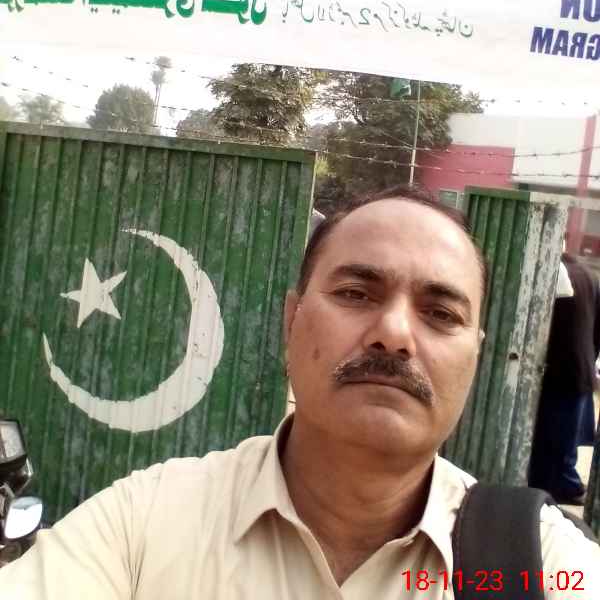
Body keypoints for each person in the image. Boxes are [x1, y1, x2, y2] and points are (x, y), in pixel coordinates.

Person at [1, 186, 599, 598]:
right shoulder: (146, 526)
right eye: (356, 294)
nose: (394, 333)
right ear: (292, 322)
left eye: (441, 313)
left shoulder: (536, 565)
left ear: (476, 356)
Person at [529, 252, 600, 504]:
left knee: (552, 439)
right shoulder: (589, 276)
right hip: (581, 368)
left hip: (557, 370)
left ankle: (563, 488)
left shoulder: (552, 274)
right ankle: (566, 484)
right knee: (565, 440)